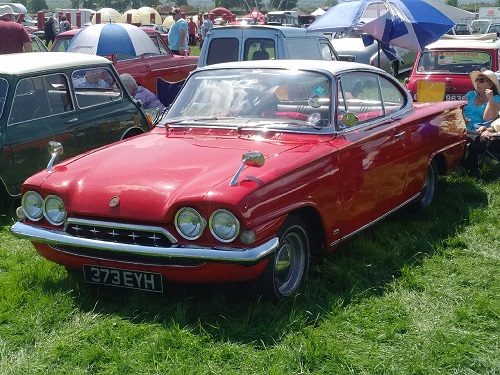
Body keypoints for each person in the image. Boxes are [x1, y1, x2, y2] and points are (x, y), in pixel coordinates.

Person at [462, 70, 500, 177]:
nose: (477, 82)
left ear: (490, 84)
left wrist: (490, 99)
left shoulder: (496, 99)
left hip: (480, 130)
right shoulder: (470, 95)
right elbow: (458, 109)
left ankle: (470, 168)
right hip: (462, 126)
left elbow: (487, 117)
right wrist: (462, 117)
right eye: (477, 80)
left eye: (481, 80)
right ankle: (469, 167)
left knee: (472, 138)